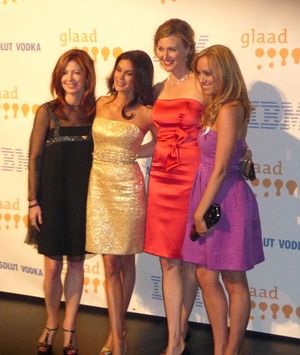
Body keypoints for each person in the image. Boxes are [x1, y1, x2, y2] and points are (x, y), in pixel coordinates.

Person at [182, 45, 265, 355]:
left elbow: (219, 168)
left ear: (224, 73)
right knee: (205, 273)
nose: (202, 79)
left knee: (233, 278)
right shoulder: (215, 106)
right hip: (210, 194)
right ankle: (220, 348)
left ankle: (230, 351)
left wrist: (200, 212)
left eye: (208, 73)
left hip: (225, 200)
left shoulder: (230, 107)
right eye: (199, 73)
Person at [85, 50, 156, 355]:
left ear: (139, 78)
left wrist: (139, 152)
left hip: (128, 189)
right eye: (118, 70)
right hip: (99, 186)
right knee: (110, 263)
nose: (121, 77)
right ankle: (117, 333)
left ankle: (119, 333)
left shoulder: (147, 112)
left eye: (128, 72)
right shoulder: (100, 103)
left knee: (125, 261)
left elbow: (166, 141)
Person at [26, 49, 96, 355]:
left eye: (77, 72)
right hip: (51, 200)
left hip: (84, 200)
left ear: (87, 78)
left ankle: (70, 329)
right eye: (65, 72)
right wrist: (32, 201)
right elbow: (34, 158)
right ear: (58, 76)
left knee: (77, 264)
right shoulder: (47, 112)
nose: (70, 78)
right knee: (53, 268)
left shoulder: (96, 113)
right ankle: (51, 323)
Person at [143, 19, 206, 355]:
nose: (166, 55)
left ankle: (179, 331)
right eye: (161, 49)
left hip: (193, 178)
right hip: (163, 180)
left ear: (187, 49)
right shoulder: (156, 90)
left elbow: (220, 130)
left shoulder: (203, 84)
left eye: (172, 48)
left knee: (190, 260)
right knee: (168, 261)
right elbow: (155, 140)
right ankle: (175, 340)